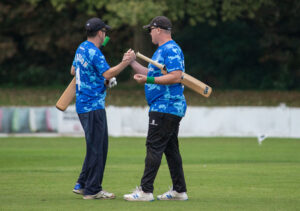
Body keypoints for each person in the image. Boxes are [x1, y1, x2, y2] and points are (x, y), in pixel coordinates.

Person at [123, 16, 188, 201]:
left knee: (154, 147)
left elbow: (176, 76)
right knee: (171, 149)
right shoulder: (161, 51)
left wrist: (148, 80)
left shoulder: (171, 49)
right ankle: (179, 191)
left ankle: (145, 191)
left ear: (158, 29)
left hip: (165, 107)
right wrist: (132, 63)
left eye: (150, 29)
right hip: (165, 107)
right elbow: (150, 73)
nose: (149, 33)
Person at [71, 17, 134, 200]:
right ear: (100, 33)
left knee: (94, 147)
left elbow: (74, 71)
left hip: (83, 104)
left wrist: (102, 81)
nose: (105, 33)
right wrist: (125, 62)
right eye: (104, 31)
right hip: (93, 105)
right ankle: (93, 190)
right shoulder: (95, 53)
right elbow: (107, 73)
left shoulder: (81, 48)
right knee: (99, 148)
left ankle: (82, 184)